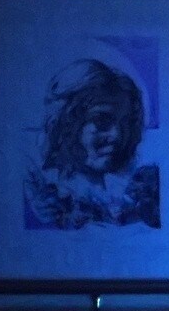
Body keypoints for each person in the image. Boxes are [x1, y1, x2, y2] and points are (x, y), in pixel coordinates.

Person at [23, 54, 160, 229]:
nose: (117, 135)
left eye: (125, 122)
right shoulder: (39, 187)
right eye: (101, 120)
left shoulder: (138, 186)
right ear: (67, 124)